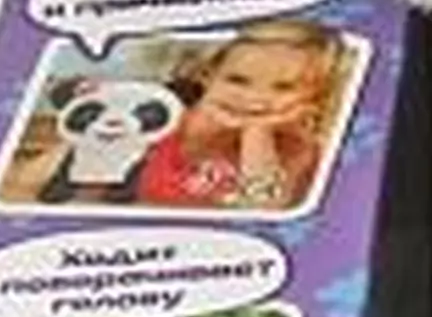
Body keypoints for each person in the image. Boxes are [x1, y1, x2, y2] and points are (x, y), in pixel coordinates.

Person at [130, 22, 344, 211]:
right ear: (207, 75)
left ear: (315, 94)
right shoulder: (176, 115)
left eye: (284, 87)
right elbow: (166, 174)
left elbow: (262, 207)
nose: (255, 99)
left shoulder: (298, 148)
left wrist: (257, 133)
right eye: (237, 80)